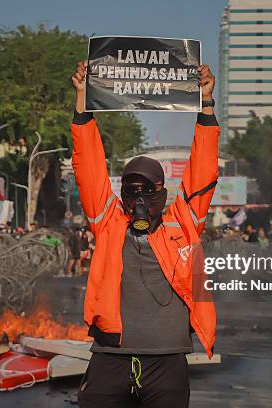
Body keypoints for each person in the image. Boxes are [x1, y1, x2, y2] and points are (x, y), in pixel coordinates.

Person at [71, 60, 218, 408]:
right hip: (110, 356)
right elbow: (87, 164)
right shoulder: (108, 221)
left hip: (167, 362)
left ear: (162, 192)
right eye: (131, 189)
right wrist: (82, 100)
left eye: (147, 190)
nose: (139, 198)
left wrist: (206, 104)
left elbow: (203, 172)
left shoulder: (183, 223)